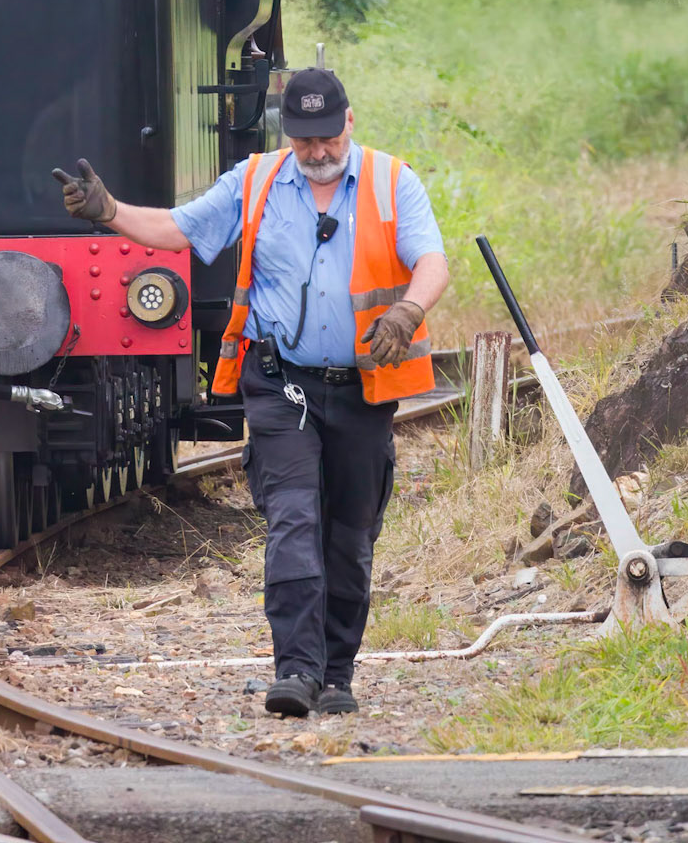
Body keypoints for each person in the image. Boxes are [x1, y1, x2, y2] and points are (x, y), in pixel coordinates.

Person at [53, 68, 447, 720]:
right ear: (285, 134)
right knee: (293, 519)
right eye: (303, 140)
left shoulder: (390, 181)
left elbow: (431, 259)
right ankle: (294, 668)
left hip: (361, 390)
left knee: (348, 537)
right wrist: (108, 212)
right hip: (280, 382)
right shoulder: (256, 180)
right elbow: (181, 229)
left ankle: (336, 672)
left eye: (326, 137)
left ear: (348, 123)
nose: (317, 152)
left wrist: (406, 311)